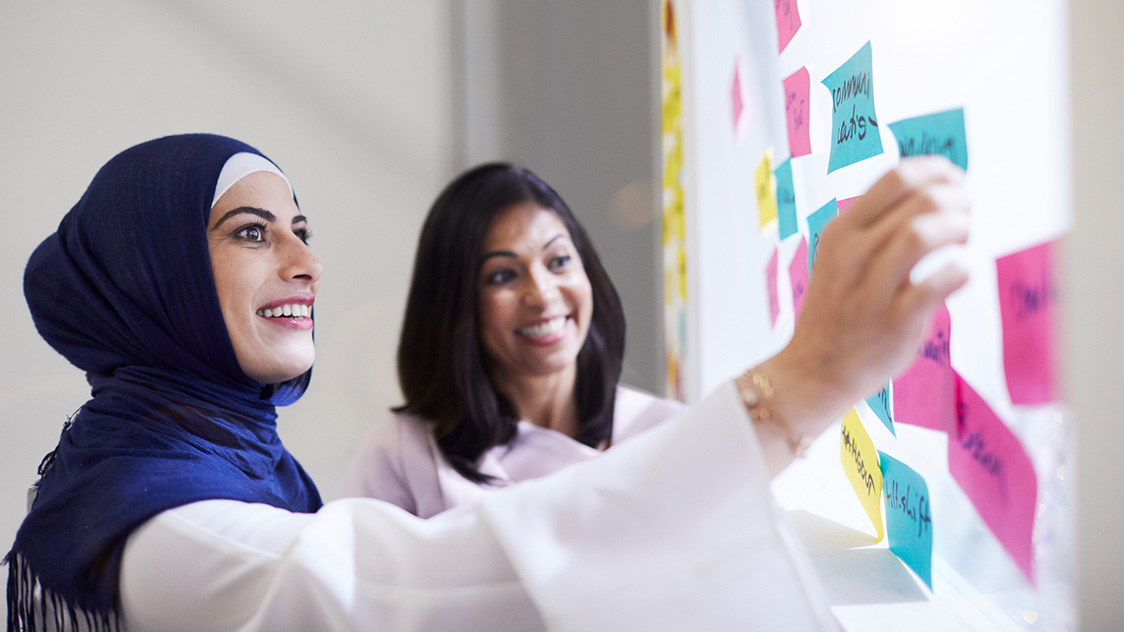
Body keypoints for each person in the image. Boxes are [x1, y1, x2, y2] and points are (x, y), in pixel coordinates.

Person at [5, 133, 968, 632]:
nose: (305, 262)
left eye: (303, 229)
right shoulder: (162, 523)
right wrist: (807, 377)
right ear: (151, 274)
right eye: (252, 231)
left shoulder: (180, 464)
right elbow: (432, 592)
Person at [342, 164, 685, 516]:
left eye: (559, 261)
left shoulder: (666, 433)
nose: (542, 294)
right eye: (503, 276)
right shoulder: (401, 451)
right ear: (454, 302)